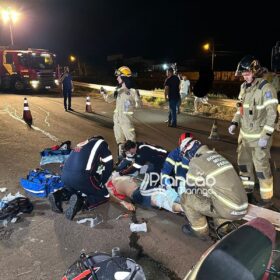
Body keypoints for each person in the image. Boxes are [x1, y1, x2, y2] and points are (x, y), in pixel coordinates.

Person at [228, 55, 279, 207]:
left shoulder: (267, 89)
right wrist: (234, 123)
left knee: (261, 168)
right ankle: (248, 194)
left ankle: (267, 199)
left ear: (255, 72)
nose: (245, 77)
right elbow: (240, 109)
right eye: (243, 74)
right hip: (244, 138)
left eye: (247, 73)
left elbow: (272, 114)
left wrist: (266, 135)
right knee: (244, 166)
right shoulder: (243, 88)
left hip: (259, 139)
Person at [179, 137, 248, 240]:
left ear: (188, 151)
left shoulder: (196, 161)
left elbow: (190, 189)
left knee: (186, 198)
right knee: (216, 194)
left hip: (228, 209)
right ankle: (222, 229)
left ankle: (200, 231)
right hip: (242, 205)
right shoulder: (216, 155)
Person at [48, 136, 113, 220]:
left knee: (73, 190)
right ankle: (81, 202)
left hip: (64, 175)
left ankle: (57, 195)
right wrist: (102, 181)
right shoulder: (102, 143)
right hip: (81, 176)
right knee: (104, 195)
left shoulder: (81, 144)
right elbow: (109, 166)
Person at [100, 66, 141, 160]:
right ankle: (121, 162)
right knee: (120, 143)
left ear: (124, 77)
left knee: (131, 143)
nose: (117, 78)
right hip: (117, 121)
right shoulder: (118, 90)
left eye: (118, 76)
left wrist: (135, 98)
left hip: (127, 122)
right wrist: (104, 93)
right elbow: (109, 99)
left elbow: (139, 104)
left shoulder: (133, 91)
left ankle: (132, 164)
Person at [106, 174, 183, 213]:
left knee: (163, 201)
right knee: (169, 196)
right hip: (144, 184)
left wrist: (124, 203)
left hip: (138, 192)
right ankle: (188, 205)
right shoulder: (117, 178)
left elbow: (109, 196)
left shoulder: (108, 186)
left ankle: (187, 209)